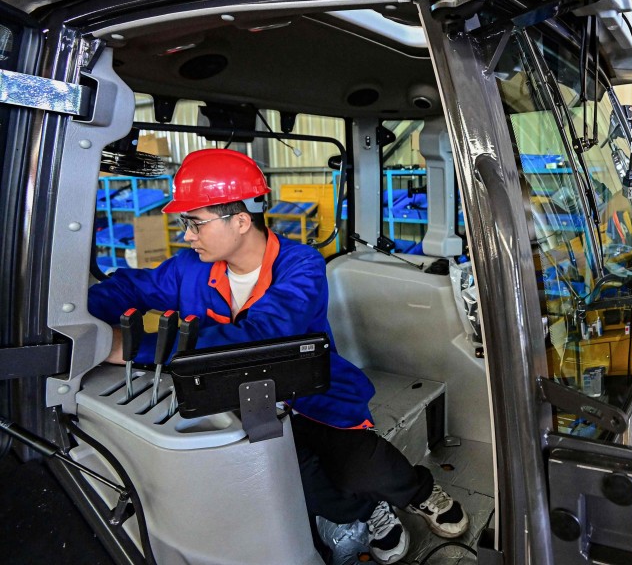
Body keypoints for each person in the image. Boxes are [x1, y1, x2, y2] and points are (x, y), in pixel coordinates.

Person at [88, 148, 468, 565]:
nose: (187, 235)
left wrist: (133, 349)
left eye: (194, 222)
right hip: (247, 404)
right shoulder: (188, 268)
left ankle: (418, 491)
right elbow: (126, 287)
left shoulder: (300, 265)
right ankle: (365, 512)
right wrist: (87, 325)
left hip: (315, 398)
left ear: (239, 220)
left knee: (364, 468)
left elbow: (261, 337)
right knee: (292, 477)